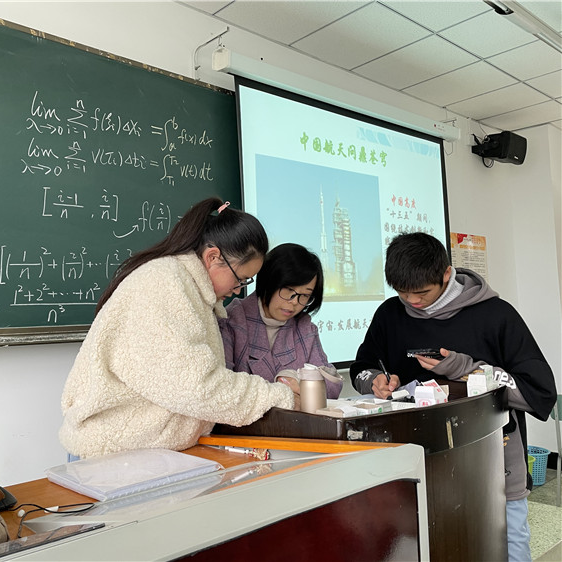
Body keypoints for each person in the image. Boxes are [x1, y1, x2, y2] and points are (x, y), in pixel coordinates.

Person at [350, 232, 556, 562]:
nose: (412, 301)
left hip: (493, 460)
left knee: (509, 543)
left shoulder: (495, 314)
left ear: (446, 274)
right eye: (402, 293)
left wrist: (465, 369)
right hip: (418, 461)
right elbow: (362, 366)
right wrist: (374, 381)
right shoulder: (390, 314)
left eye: (421, 293)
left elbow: (538, 392)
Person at [60, 198, 300, 459]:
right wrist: (279, 397)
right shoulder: (163, 283)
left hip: (138, 453)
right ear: (213, 257)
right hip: (113, 457)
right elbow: (197, 386)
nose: (238, 290)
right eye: (240, 279)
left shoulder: (187, 286)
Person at [219, 243, 342, 398]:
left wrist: (298, 381)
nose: (294, 302)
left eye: (305, 295)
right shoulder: (231, 321)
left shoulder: (304, 328)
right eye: (289, 290)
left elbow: (333, 384)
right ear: (268, 281)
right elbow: (223, 388)